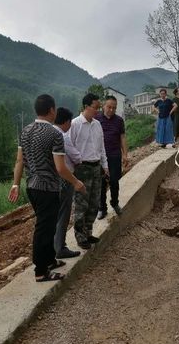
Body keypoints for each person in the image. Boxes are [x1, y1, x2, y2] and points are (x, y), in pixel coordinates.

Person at [8, 94, 85, 282]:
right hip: (48, 188)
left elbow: (19, 160)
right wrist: (76, 182)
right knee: (44, 228)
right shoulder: (55, 134)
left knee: (49, 226)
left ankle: (50, 260)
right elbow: (60, 167)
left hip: (32, 187)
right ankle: (41, 271)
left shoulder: (25, 131)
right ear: (52, 110)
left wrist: (15, 183)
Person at [67, 93, 109, 250]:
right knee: (81, 203)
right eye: (95, 107)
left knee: (94, 202)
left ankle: (88, 231)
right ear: (86, 107)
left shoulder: (97, 124)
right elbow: (68, 148)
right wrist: (73, 171)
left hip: (96, 167)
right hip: (82, 168)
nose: (97, 111)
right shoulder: (75, 124)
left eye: (98, 107)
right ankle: (80, 236)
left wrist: (105, 165)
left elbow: (101, 146)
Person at [52, 107, 81, 259]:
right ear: (67, 121)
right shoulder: (62, 136)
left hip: (50, 181)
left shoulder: (47, 133)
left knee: (54, 214)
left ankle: (53, 246)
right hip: (64, 178)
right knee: (64, 213)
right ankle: (60, 247)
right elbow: (76, 157)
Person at [95, 95, 128, 220]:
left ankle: (115, 203)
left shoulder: (119, 121)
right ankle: (102, 208)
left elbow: (122, 138)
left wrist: (125, 154)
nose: (111, 110)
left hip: (114, 155)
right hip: (99, 157)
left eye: (114, 108)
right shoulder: (96, 118)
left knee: (114, 181)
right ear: (104, 106)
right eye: (109, 107)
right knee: (101, 183)